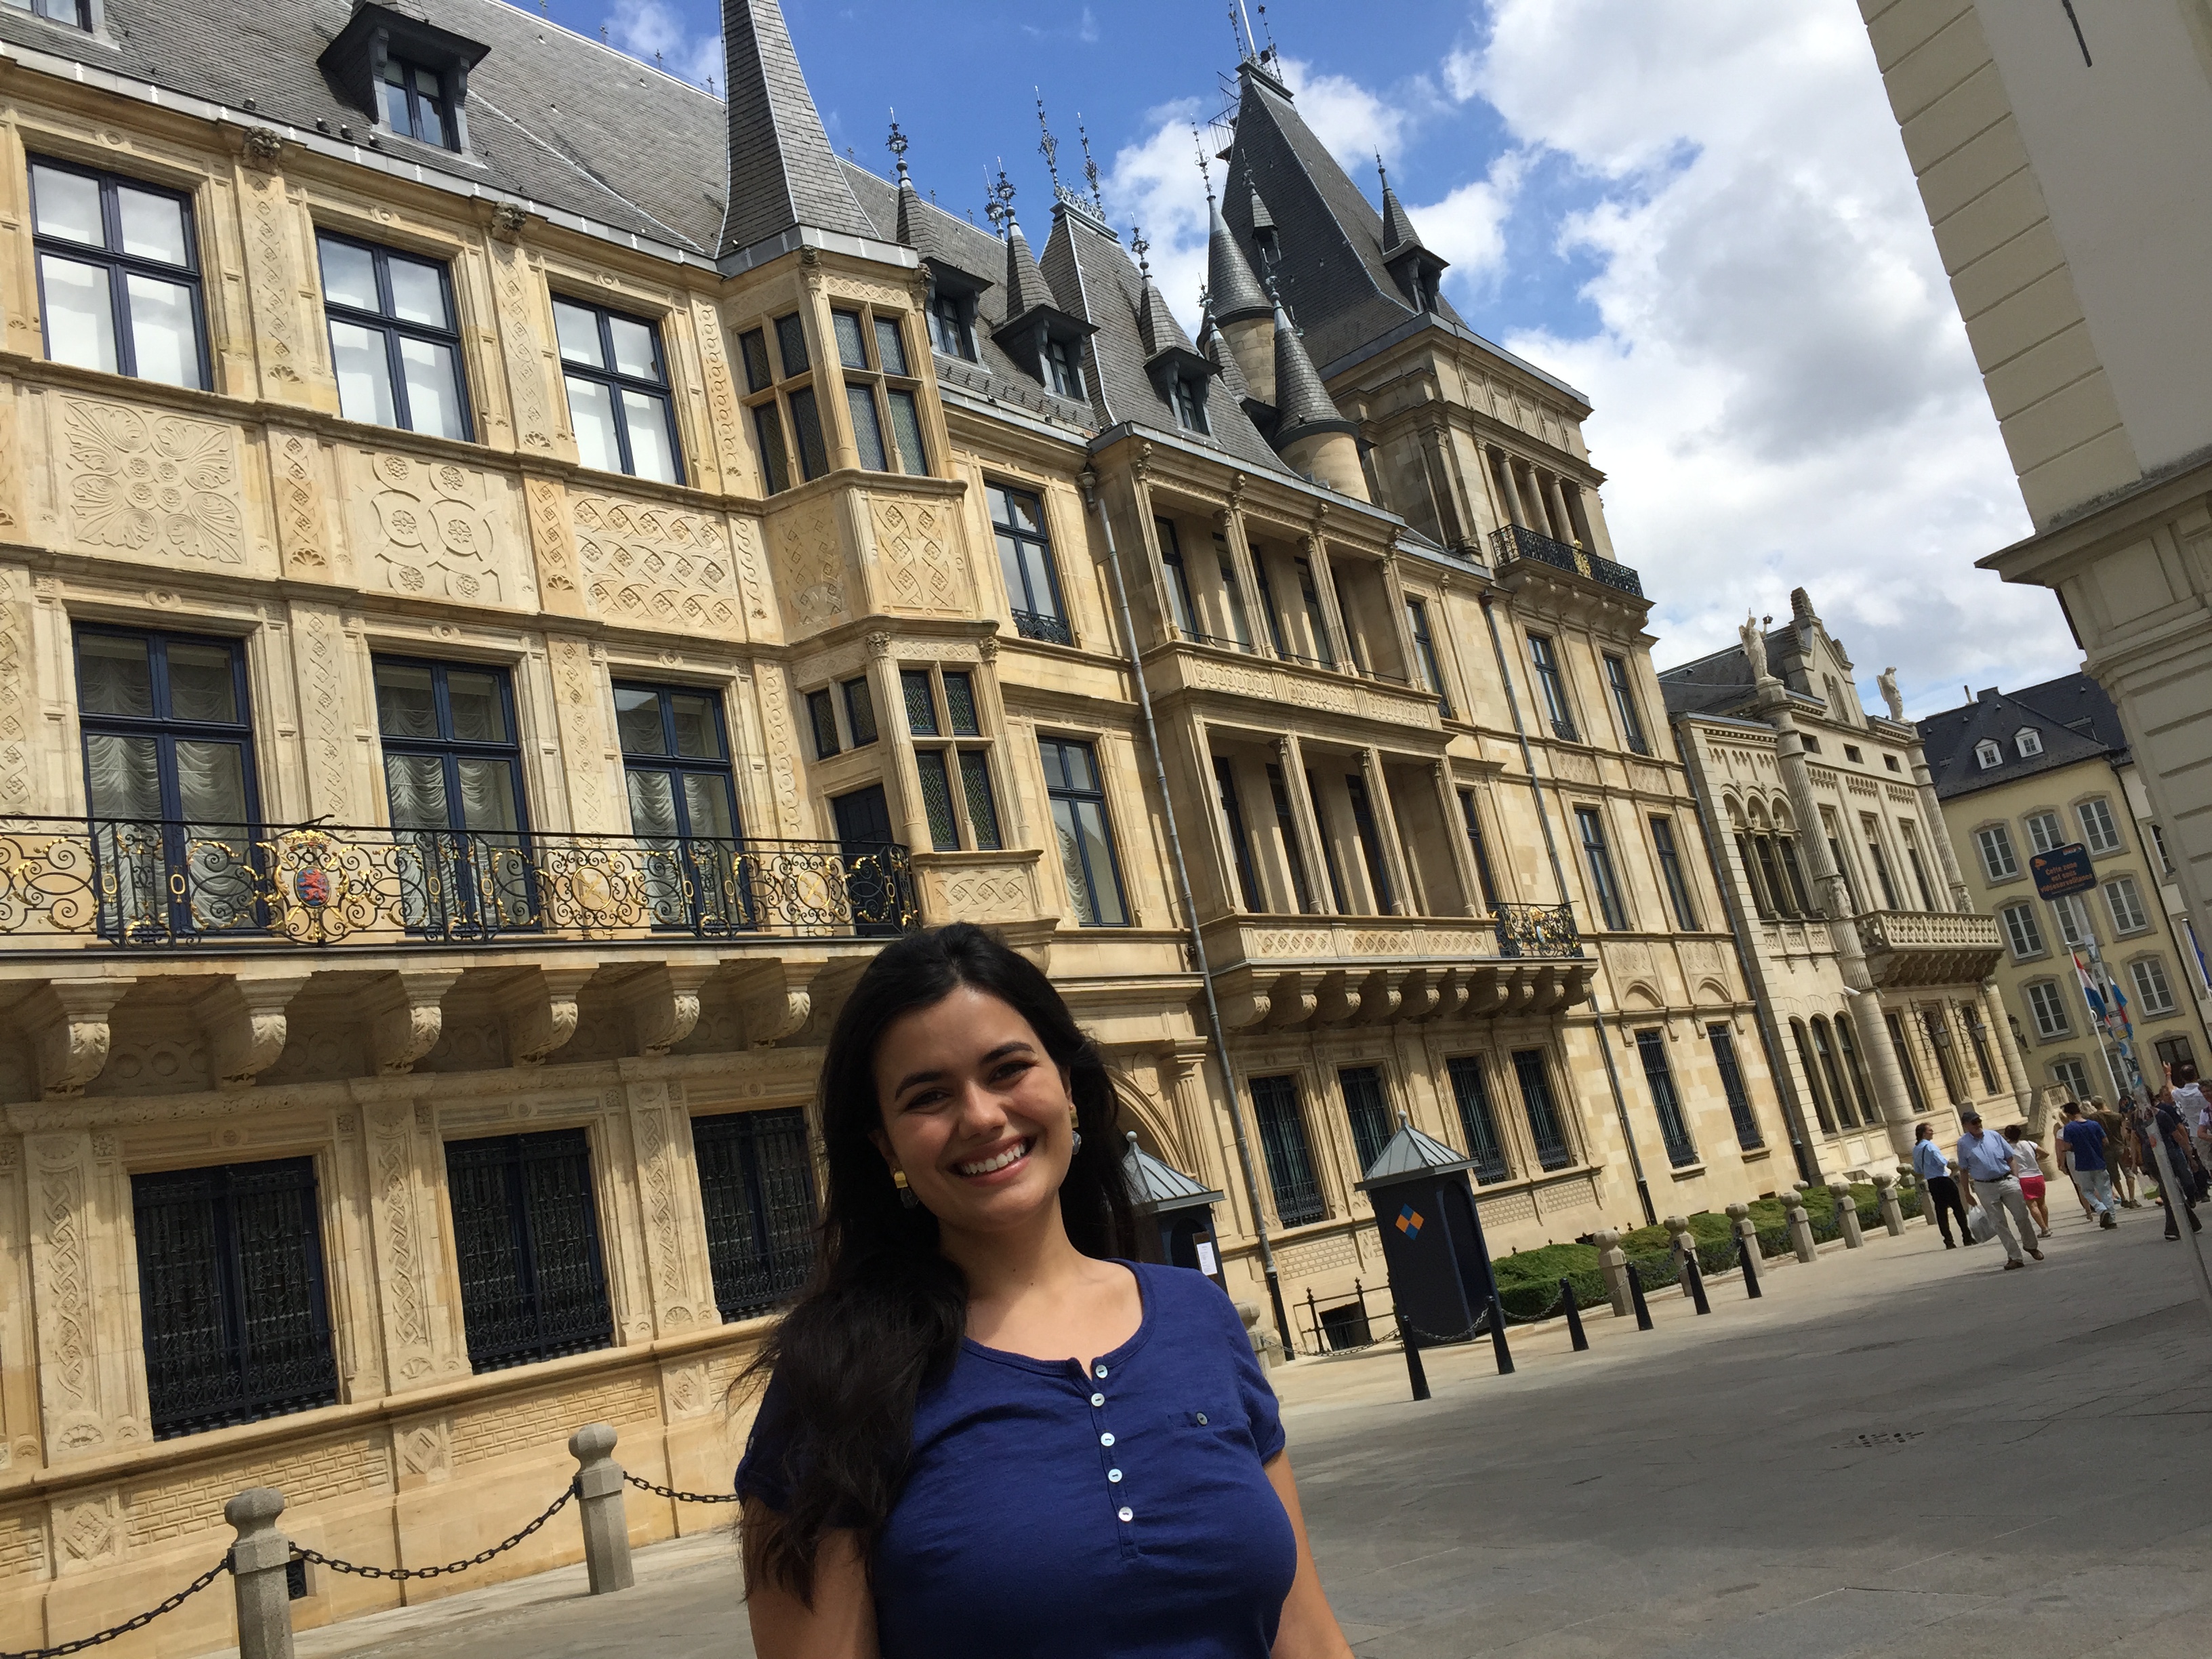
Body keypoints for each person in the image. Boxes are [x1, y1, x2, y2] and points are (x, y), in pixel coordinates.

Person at [734, 924, 1355, 1659]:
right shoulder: (835, 1379)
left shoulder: (1201, 1318)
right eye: (929, 1096)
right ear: (885, 1145)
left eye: (1007, 1069)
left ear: (1066, 1080)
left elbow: (1307, 1636)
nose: (981, 1117)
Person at [1957, 1109, 2041, 1268]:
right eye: (1974, 1122)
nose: (1978, 1124)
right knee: (1999, 1223)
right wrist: (1967, 1193)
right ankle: (2015, 1257)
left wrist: (2016, 1178)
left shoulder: (1994, 1136)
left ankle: (2031, 1245)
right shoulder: (1963, 1144)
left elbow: (2010, 1158)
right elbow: (1963, 1170)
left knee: (2022, 1216)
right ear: (1966, 1125)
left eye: (1979, 1121)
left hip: (2006, 1180)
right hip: (1984, 1186)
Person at [2147, 1073, 2205, 1242]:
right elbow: (2135, 1138)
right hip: (2152, 1156)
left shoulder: (2164, 1112)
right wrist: (2137, 1161)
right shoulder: (2138, 1117)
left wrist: (2189, 1153)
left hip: (2171, 1152)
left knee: (2181, 1185)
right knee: (2169, 1191)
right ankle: (2175, 1228)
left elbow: (2178, 1132)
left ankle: (2191, 1220)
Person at [2057, 1101, 2118, 1229]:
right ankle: (2112, 1219)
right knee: (2105, 1191)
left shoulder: (2069, 1128)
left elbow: (2067, 1146)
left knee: (2086, 1191)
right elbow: (2105, 1141)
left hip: (2082, 1164)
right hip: (2099, 1162)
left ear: (2068, 1114)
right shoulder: (2094, 1125)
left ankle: (2101, 1209)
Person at [1912, 1122, 1971, 1248]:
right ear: (1924, 1134)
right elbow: (1942, 1162)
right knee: (1958, 1208)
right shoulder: (1931, 1146)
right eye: (1930, 1130)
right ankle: (1967, 1237)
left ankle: (1948, 1241)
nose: (1932, 1132)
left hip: (1932, 1182)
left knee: (1941, 1212)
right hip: (1943, 1179)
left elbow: (1917, 1169)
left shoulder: (1916, 1149)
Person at [2003, 1123, 2051, 1238]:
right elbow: (2046, 1153)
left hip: (2023, 1178)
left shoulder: (2007, 1148)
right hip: (2037, 1175)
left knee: (2032, 1206)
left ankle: (2044, 1229)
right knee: (2042, 1203)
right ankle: (2047, 1226)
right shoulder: (2029, 1143)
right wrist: (2036, 1159)